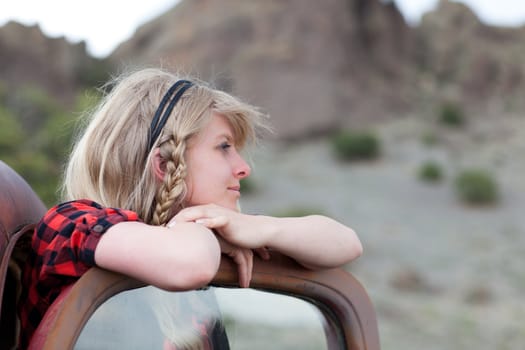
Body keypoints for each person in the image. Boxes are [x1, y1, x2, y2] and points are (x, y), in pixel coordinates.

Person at [17, 67, 363, 348]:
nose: (243, 167)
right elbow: (189, 263)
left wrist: (262, 229)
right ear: (166, 166)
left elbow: (345, 243)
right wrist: (212, 233)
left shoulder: (215, 236)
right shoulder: (71, 223)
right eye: (224, 147)